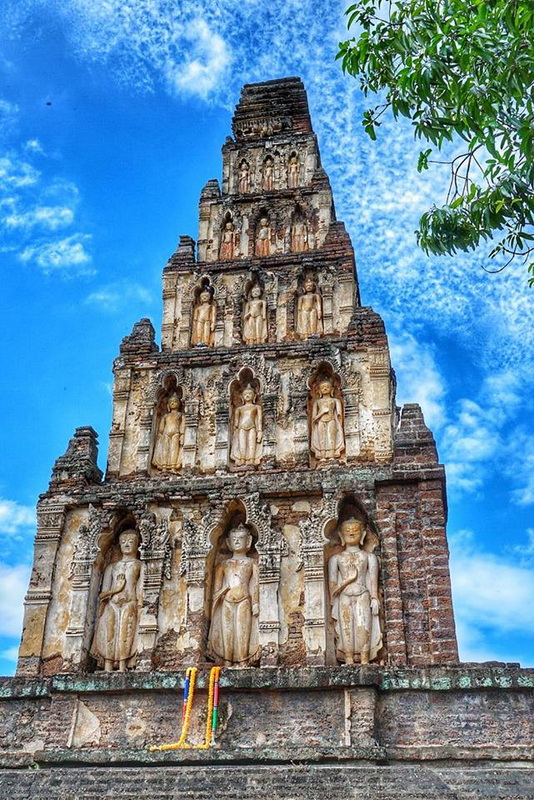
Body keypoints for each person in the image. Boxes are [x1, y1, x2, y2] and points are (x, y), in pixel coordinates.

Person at [328, 519, 382, 665]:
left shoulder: (369, 557)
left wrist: (374, 598)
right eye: (347, 531)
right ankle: (348, 659)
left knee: (363, 626)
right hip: (344, 596)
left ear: (363, 534)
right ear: (341, 535)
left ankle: (365, 659)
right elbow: (332, 588)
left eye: (355, 530)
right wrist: (348, 580)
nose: (351, 533)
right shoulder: (336, 559)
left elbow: (372, 581)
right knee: (346, 628)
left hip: (363, 594)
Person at [208, 524, 259, 666]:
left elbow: (255, 585)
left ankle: (243, 661)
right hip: (227, 601)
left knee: (242, 632)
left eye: (240, 538)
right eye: (234, 539)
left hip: (244, 599)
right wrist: (223, 590)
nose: (237, 541)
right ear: (228, 542)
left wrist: (255, 603)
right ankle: (227, 661)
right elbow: (217, 590)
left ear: (248, 541)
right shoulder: (224, 564)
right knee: (228, 632)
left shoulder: (251, 563)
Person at [91, 529, 142, 672]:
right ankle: (107, 665)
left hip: (130, 602)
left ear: (137, 544)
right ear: (119, 544)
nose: (127, 545)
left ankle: (122, 665)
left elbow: (141, 590)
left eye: (131, 542)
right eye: (123, 542)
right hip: (112, 603)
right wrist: (117, 589)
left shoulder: (139, 565)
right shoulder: (111, 568)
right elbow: (102, 594)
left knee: (126, 632)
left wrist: (141, 607)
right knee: (110, 633)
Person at [310, 378, 344, 460]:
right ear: (319, 391)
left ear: (332, 389)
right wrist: (321, 413)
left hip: (332, 420)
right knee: (322, 438)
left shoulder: (335, 401)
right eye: (323, 387)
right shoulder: (317, 402)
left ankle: (332, 455)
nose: (325, 388)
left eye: (327, 387)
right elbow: (314, 418)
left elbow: (339, 414)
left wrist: (339, 424)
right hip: (321, 421)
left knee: (332, 438)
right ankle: (322, 456)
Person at [152, 393, 185, 471]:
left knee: (174, 449)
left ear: (179, 404)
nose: (173, 403)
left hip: (176, 433)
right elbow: (161, 428)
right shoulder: (166, 416)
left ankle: (173, 467)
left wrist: (182, 434)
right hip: (166, 433)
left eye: (175, 401)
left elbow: (182, 426)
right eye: (171, 402)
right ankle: (164, 466)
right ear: (168, 405)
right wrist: (160, 435)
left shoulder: (180, 415)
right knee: (165, 449)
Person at [230, 386, 263, 466]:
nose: (247, 395)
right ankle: (242, 459)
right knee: (242, 443)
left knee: (251, 443)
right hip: (242, 428)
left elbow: (259, 420)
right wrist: (235, 429)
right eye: (245, 394)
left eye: (249, 393)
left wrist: (259, 431)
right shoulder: (239, 409)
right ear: (242, 397)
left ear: (254, 396)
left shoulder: (257, 407)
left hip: (252, 427)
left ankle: (252, 459)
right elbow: (236, 421)